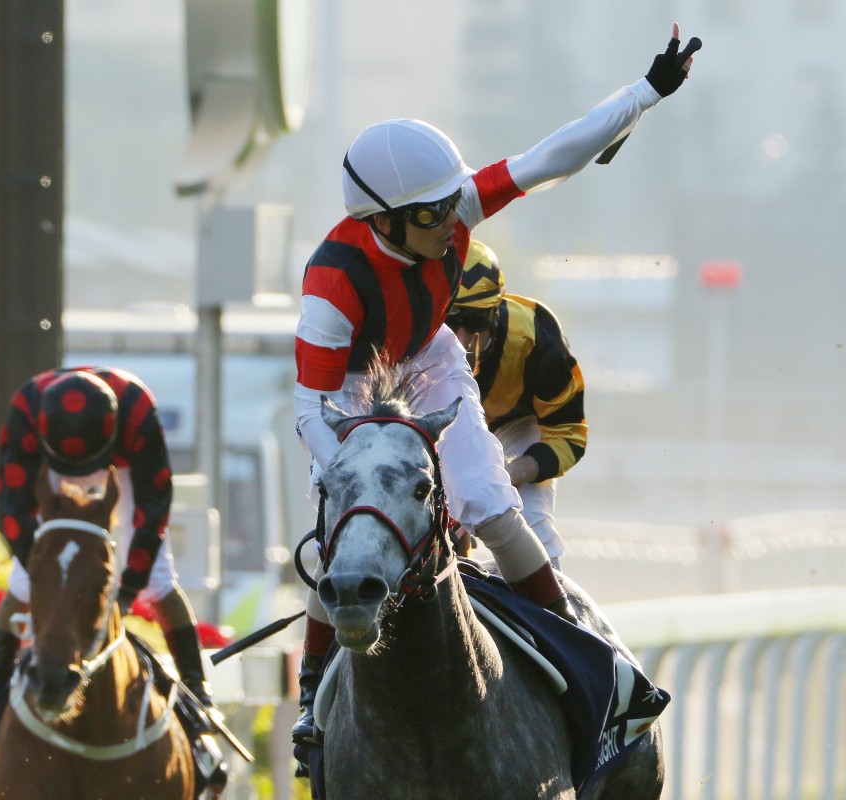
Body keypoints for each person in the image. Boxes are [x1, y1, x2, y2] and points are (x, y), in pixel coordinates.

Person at [291, 23, 700, 748]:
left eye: (454, 202)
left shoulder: (442, 211)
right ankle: (311, 704)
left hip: (428, 358)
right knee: (340, 540)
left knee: (488, 503)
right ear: (383, 219)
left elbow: (549, 159)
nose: (455, 220)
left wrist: (646, 93)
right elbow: (309, 409)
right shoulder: (331, 288)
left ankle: (589, 673)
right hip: (348, 391)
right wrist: (356, 477)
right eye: (435, 213)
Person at [0, 366, 217, 743]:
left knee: (160, 580)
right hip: (47, 468)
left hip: (125, 465)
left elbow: (153, 509)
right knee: (20, 584)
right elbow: (14, 507)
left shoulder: (136, 411)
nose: (81, 479)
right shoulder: (26, 409)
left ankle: (198, 694)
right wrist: (43, 580)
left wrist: (130, 589)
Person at [447, 239, 586, 569]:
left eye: (477, 321)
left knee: (534, 528)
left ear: (496, 311)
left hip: (518, 427)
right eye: (451, 320)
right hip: (442, 423)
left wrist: (513, 472)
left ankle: (554, 611)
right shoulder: (407, 333)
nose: (463, 341)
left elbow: (570, 436)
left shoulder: (538, 338)